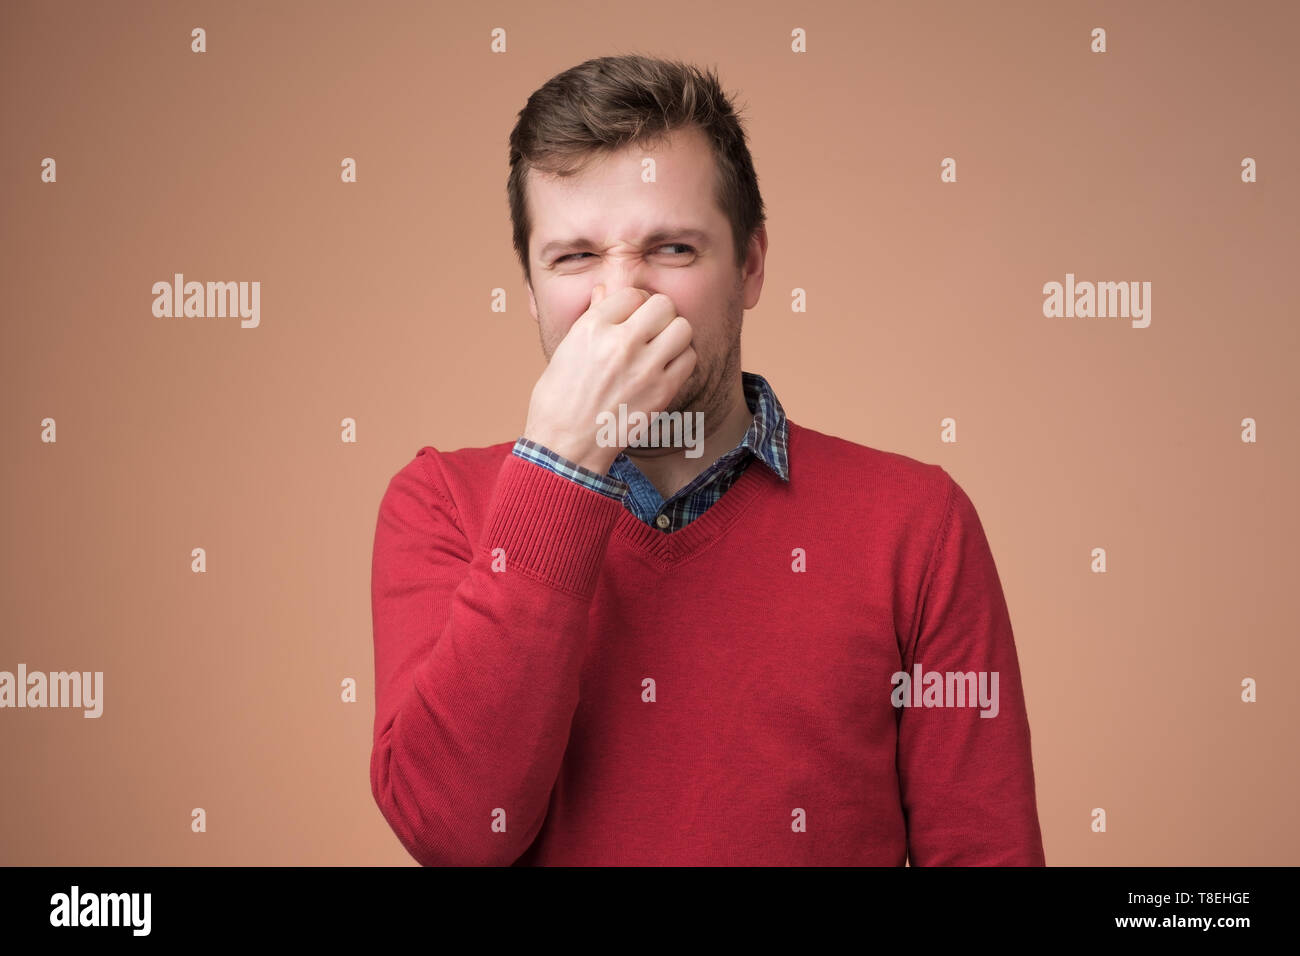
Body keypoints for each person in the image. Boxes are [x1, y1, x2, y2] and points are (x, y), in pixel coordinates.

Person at [369, 54, 1046, 866]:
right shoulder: (441, 503)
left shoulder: (916, 524)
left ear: (751, 266)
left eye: (674, 249)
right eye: (574, 258)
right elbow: (455, 835)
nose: (622, 299)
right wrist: (560, 467)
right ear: (529, 287)